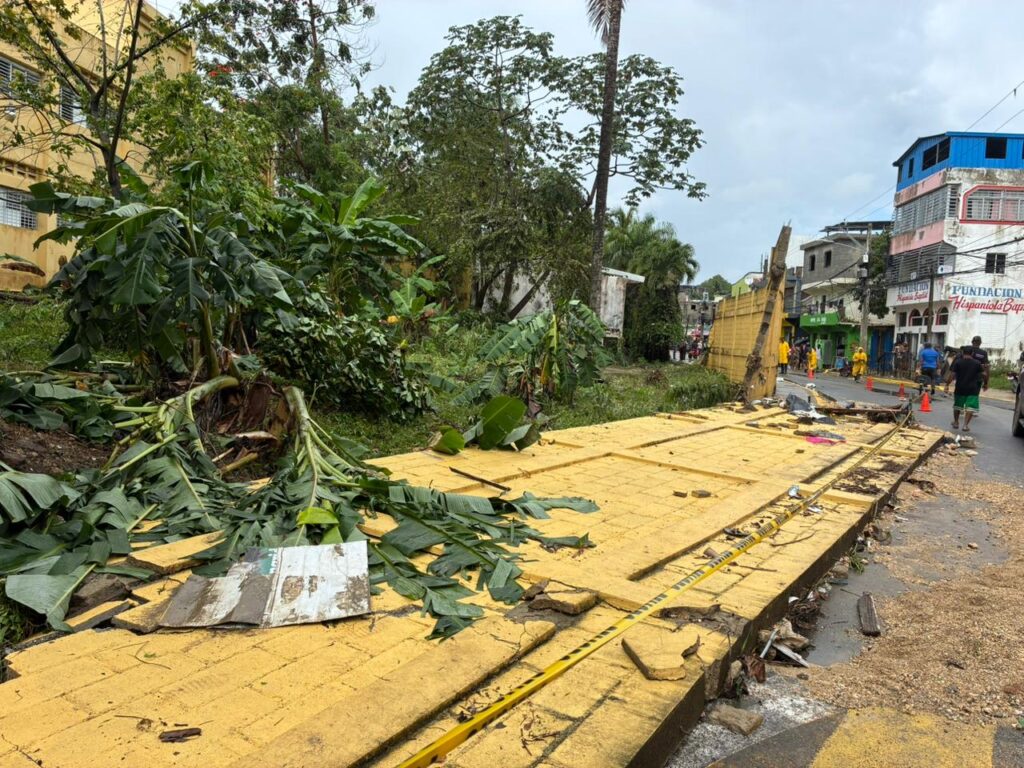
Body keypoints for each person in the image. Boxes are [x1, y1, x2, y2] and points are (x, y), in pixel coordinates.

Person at [946, 345, 984, 431]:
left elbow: (952, 375)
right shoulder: (977, 363)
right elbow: (984, 374)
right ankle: (965, 425)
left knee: (957, 406)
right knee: (970, 407)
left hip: (960, 388)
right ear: (972, 353)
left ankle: (956, 422)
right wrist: (985, 382)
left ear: (963, 352)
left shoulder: (958, 362)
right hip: (973, 389)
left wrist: (947, 384)